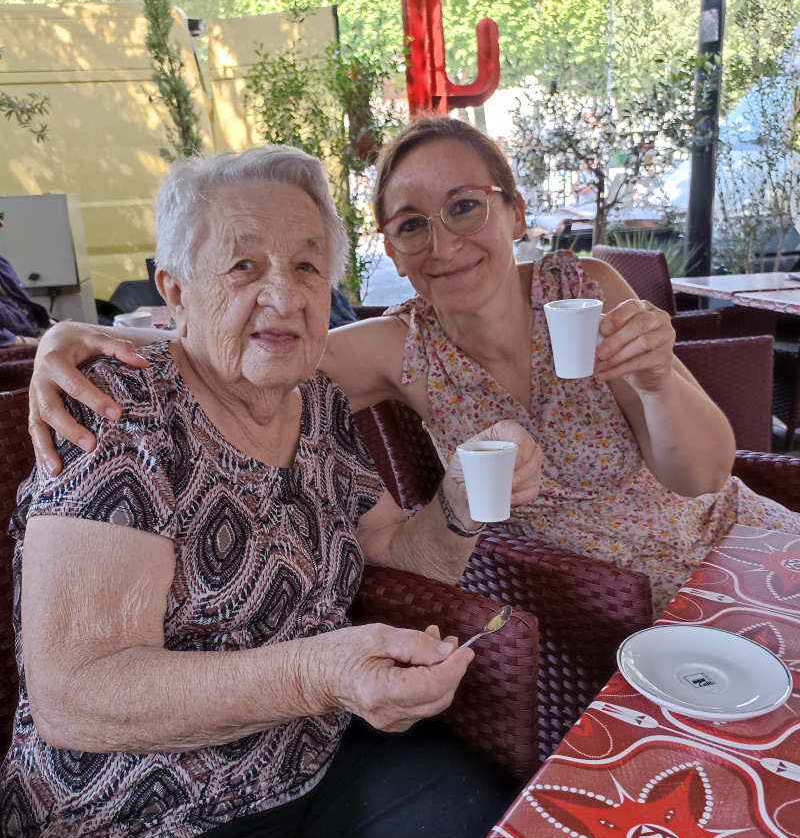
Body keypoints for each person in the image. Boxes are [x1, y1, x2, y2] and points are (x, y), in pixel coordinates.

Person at [1, 145, 542, 838]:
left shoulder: (315, 401)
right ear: (174, 290)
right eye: (244, 265)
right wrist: (321, 669)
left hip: (309, 759)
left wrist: (458, 508)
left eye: (306, 264)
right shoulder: (119, 412)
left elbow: (396, 549)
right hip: (132, 825)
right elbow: (74, 694)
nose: (283, 294)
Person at [27, 117, 800, 611]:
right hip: (613, 601)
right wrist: (64, 338)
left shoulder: (584, 288)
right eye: (410, 225)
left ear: (513, 211)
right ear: (391, 250)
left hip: (735, 542)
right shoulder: (403, 349)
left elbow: (701, 476)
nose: (444, 240)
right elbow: (245, 349)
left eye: (466, 204)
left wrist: (659, 376)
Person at [0, 211, 53, 348]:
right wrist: (36, 344)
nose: (2, 224)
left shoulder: (2, 264)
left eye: (1, 216)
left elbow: (25, 308)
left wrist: (56, 327)